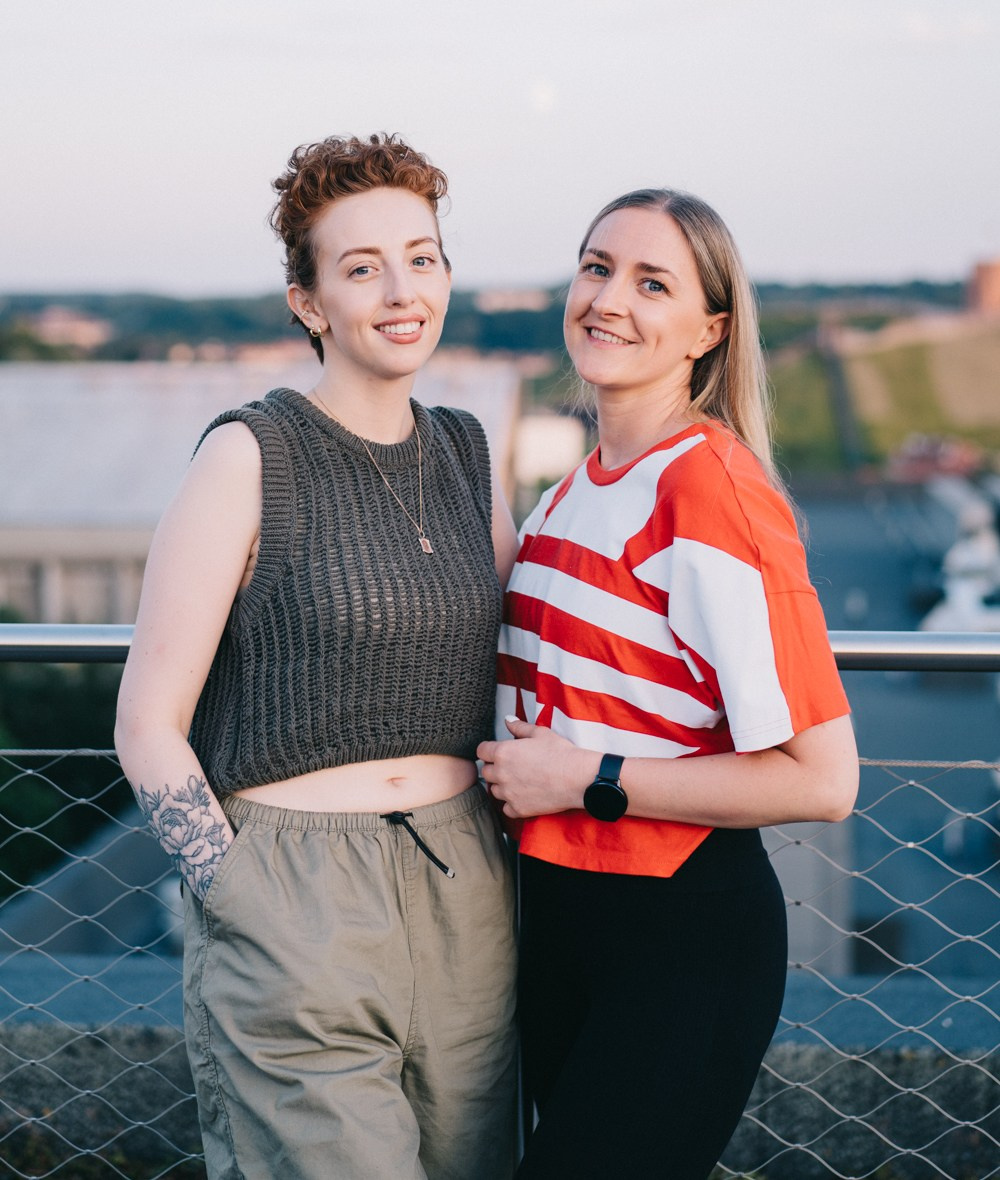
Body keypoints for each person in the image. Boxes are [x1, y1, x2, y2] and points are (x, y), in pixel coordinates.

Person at [115, 134, 519, 1180]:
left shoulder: (472, 455)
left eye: (421, 257)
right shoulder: (248, 454)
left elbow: (520, 670)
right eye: (361, 266)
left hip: (466, 887)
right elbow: (147, 723)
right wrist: (236, 893)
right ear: (308, 303)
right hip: (292, 887)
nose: (401, 289)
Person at [478, 188, 859, 1180]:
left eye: (653, 282)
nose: (609, 299)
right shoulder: (573, 488)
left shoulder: (711, 492)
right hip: (560, 921)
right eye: (596, 267)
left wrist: (584, 776)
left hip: (678, 937)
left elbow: (821, 780)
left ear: (710, 330)